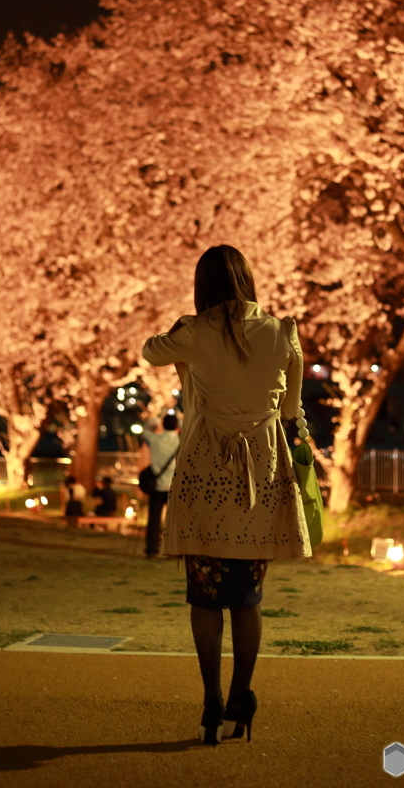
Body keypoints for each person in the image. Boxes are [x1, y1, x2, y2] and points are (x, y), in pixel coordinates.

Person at [142, 244, 310, 745]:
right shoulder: (283, 333)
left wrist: (179, 325)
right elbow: (290, 412)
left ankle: (211, 699)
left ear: (204, 287)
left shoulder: (194, 333)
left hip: (204, 473)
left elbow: (150, 352)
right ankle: (242, 695)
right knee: (247, 597)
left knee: (205, 595)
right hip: (261, 475)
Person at [141, 412, 179, 558]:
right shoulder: (180, 440)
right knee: (174, 520)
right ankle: (174, 550)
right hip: (173, 486)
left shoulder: (155, 439)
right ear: (176, 425)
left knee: (154, 519)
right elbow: (185, 426)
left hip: (157, 485)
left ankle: (151, 549)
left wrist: (157, 418)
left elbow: (147, 429)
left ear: (163, 425)